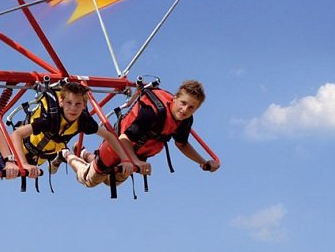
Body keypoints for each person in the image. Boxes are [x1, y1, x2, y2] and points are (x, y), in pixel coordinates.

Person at [64, 79, 220, 190]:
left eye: (191, 108)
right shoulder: (152, 113)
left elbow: (182, 144)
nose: (185, 110)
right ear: (175, 98)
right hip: (116, 148)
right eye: (183, 103)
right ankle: (66, 154)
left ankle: (85, 153)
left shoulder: (185, 120)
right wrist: (136, 162)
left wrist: (202, 161)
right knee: (90, 180)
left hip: (134, 157)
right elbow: (124, 139)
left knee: (111, 181)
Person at [0, 82, 134, 180]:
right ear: (61, 102)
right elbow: (17, 134)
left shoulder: (83, 121)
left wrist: (125, 159)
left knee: (13, 170)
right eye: (69, 103)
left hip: (41, 156)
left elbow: (109, 135)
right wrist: (22, 163)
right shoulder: (50, 119)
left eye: (78, 104)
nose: (73, 109)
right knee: (1, 162)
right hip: (20, 149)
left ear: (84, 105)